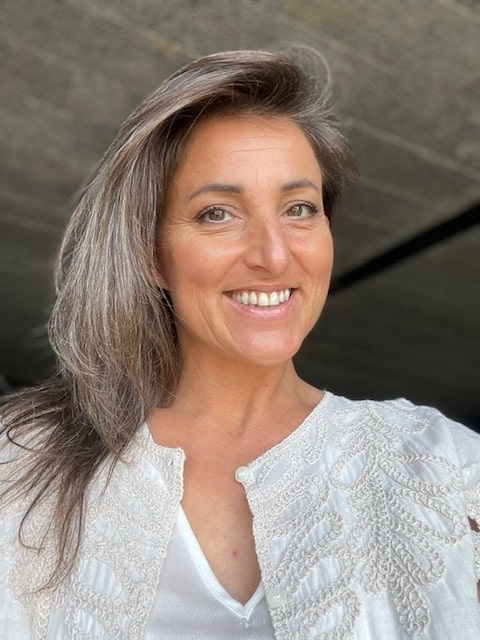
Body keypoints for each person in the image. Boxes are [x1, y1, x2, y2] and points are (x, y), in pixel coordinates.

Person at [1, 47, 479, 640]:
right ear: (150, 254)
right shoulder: (22, 461)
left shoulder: (445, 465)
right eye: (218, 214)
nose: (274, 255)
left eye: (299, 208)